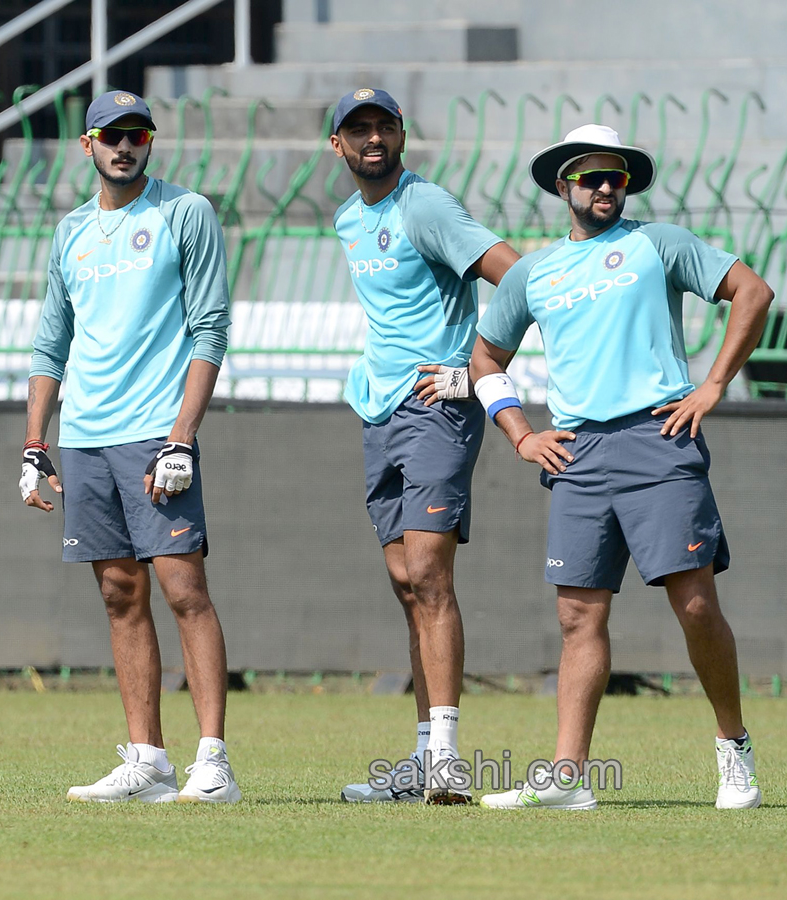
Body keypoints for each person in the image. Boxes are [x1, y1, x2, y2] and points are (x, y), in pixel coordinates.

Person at [471, 125, 773, 810]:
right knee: (578, 617)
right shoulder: (533, 273)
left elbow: (752, 294)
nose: (606, 187)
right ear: (563, 187)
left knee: (695, 605)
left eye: (616, 177)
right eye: (590, 177)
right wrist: (519, 434)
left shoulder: (656, 243)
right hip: (578, 453)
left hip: (658, 438)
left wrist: (713, 384)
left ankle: (734, 749)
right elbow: (485, 359)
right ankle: (569, 781)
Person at [20, 90, 238, 803]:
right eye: (110, 135)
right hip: (84, 437)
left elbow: (210, 329)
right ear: (87, 145)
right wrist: (34, 444)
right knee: (118, 594)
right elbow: (52, 344)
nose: (124, 145)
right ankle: (147, 760)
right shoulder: (71, 231)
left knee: (184, 589)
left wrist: (183, 436)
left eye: (136, 134)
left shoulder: (185, 213)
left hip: (155, 432)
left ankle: (214, 761)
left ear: (150, 142)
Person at [328, 88, 519, 804]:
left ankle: (446, 759)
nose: (372, 138)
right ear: (337, 146)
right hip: (380, 412)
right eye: (358, 129)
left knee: (431, 578)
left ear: (402, 135)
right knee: (407, 583)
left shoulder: (426, 205)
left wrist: (476, 368)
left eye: (384, 126)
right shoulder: (350, 219)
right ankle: (421, 760)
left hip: (436, 409)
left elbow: (520, 277)